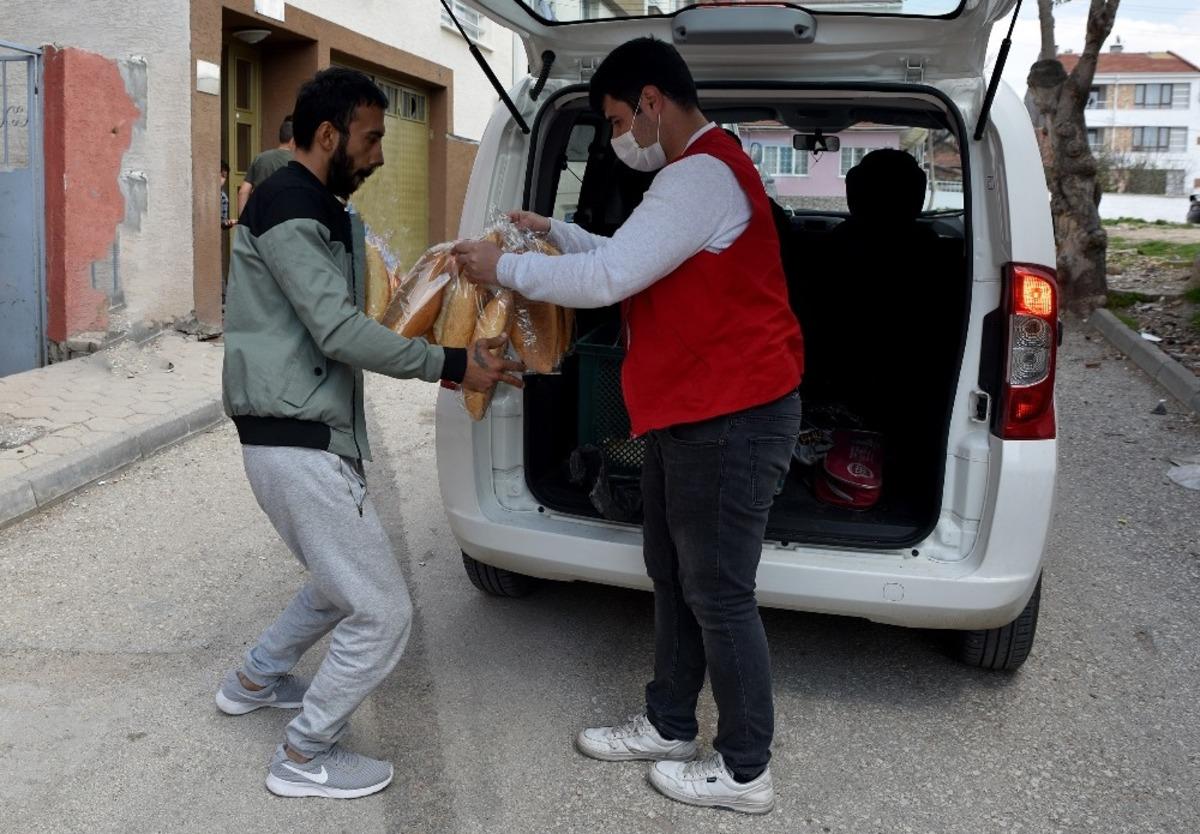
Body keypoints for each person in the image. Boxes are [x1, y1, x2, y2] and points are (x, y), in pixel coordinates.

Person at [452, 37, 804, 816]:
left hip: (731, 417)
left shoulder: (699, 175)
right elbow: (628, 255)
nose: (619, 138)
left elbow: (611, 278)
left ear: (650, 102)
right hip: (693, 411)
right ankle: (670, 723)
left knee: (719, 591)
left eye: (617, 121)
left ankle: (745, 771)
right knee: (675, 572)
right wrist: (555, 229)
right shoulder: (695, 175)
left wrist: (501, 267)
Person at [217, 67, 524, 800]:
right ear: (329, 136)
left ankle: (255, 680)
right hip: (294, 439)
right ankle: (303, 754)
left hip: (297, 433)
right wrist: (453, 364)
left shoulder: (312, 203)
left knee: (339, 582)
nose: (381, 155)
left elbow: (348, 319)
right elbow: (338, 330)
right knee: (384, 613)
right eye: (373, 138)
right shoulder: (293, 205)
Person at [237, 114, 296, 214]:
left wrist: (244, 219)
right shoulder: (297, 161)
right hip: (286, 216)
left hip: (261, 215)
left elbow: (243, 192)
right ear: (293, 140)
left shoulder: (260, 158)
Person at [219, 159, 236, 230]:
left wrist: (229, 223)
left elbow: (222, 223)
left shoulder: (223, 197)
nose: (220, 178)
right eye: (219, 175)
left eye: (223, 176)